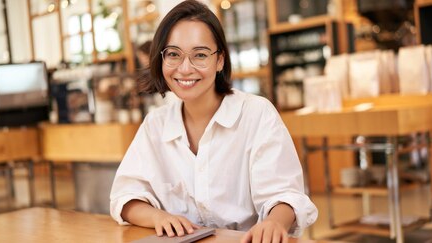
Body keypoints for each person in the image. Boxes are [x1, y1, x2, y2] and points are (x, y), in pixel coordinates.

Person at [109, 1, 318, 243]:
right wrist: (158, 217)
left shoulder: (256, 113)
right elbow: (125, 198)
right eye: (174, 54)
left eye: (199, 55)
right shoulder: (155, 125)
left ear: (220, 60)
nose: (185, 68)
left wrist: (273, 222)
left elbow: (285, 195)